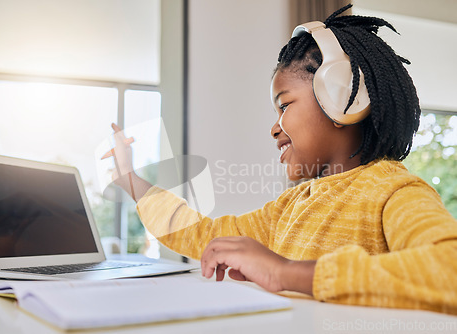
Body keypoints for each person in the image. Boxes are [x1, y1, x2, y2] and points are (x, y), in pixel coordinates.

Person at [104, 4, 457, 314]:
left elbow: (449, 269)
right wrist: (132, 180)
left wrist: (284, 272)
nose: (274, 128)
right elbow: (205, 236)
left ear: (342, 96)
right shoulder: (290, 207)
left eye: (284, 105)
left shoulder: (393, 190)